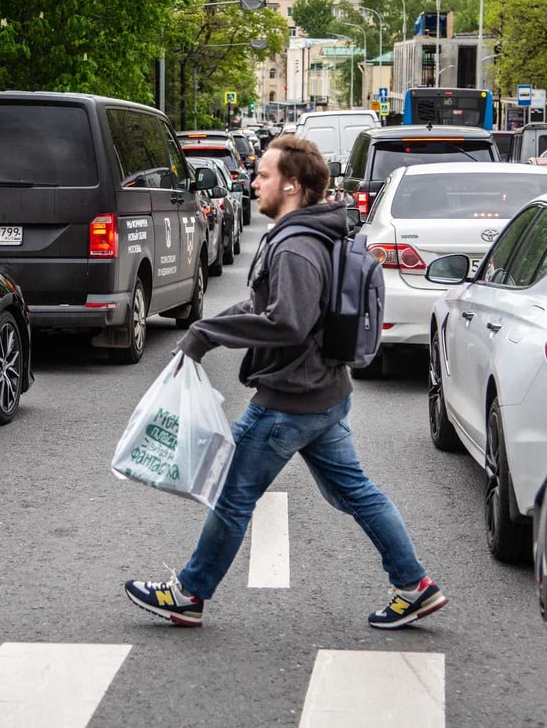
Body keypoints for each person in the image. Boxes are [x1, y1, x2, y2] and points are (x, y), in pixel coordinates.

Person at [124, 136, 447, 629]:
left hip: (288, 402)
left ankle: (189, 594)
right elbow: (263, 306)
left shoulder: (296, 245)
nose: (254, 181)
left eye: (265, 175)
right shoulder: (306, 234)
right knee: (357, 493)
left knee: (232, 497)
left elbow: (288, 323)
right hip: (324, 394)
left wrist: (207, 335)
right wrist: (204, 332)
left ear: (293, 185)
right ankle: (414, 584)